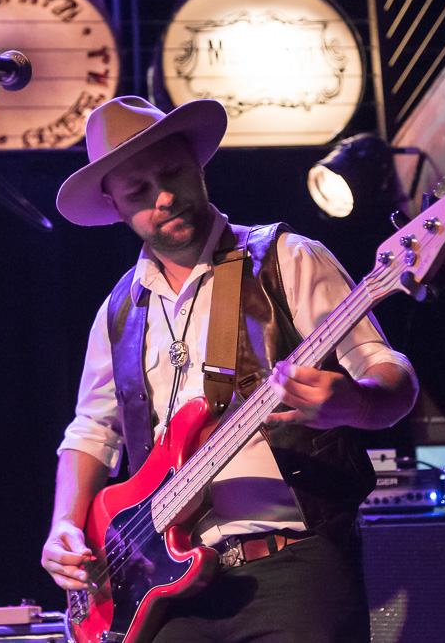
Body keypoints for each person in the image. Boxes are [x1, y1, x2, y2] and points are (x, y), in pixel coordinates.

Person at [41, 95, 419, 643]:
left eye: (172, 173)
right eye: (138, 192)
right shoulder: (117, 311)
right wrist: (65, 525)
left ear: (198, 164)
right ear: (115, 207)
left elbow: (390, 374)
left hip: (293, 562)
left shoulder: (287, 257)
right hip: (166, 586)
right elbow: (93, 431)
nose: (164, 197)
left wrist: (354, 402)